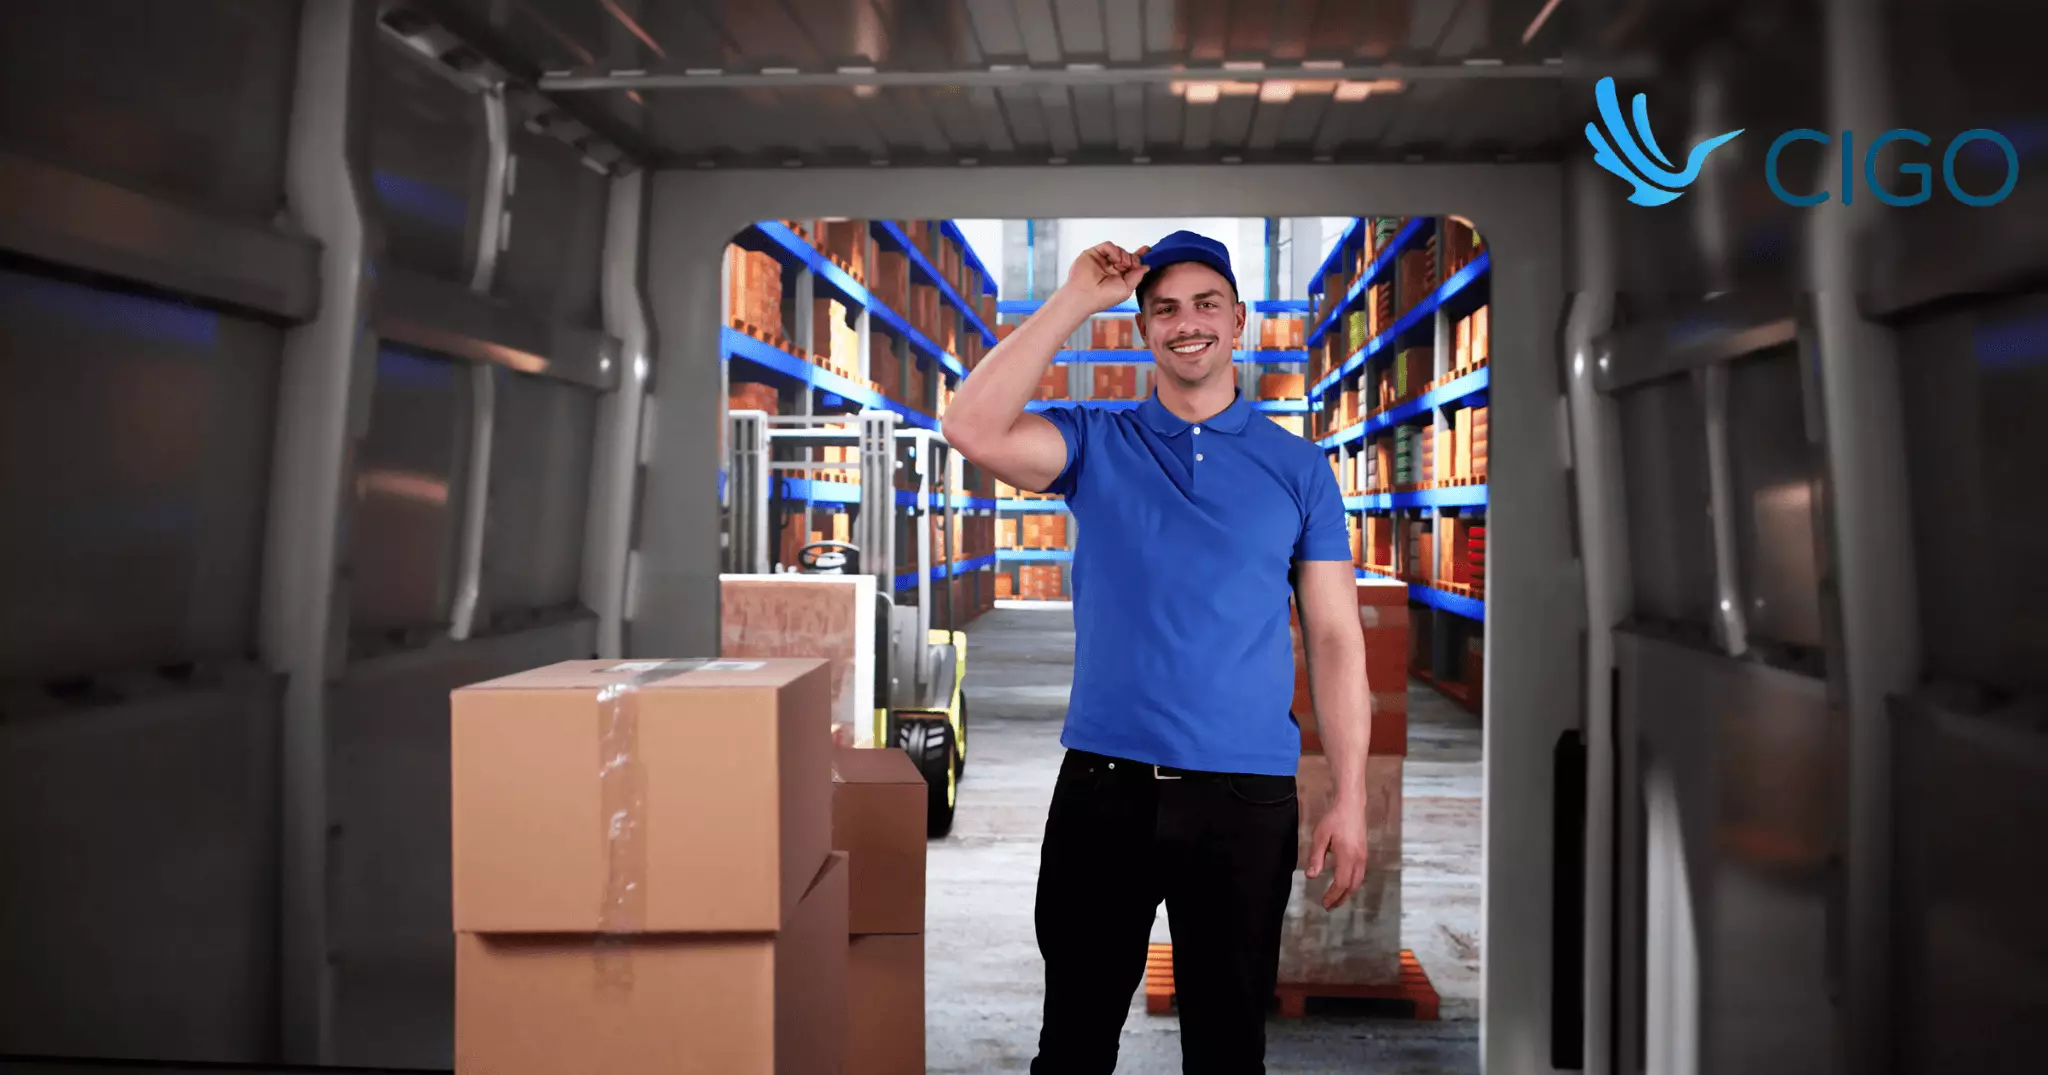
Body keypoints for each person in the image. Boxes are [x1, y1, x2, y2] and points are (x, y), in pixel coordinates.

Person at [942, 230, 1372, 1074]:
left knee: (1227, 1053)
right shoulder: (1095, 445)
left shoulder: (1299, 469)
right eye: (1164, 309)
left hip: (1245, 801)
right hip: (1106, 791)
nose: (1187, 323)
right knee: (1071, 1046)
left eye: (1207, 303)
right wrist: (1072, 301)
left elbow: (1334, 637)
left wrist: (1349, 795)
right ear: (1142, 330)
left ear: (1240, 320)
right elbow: (970, 424)